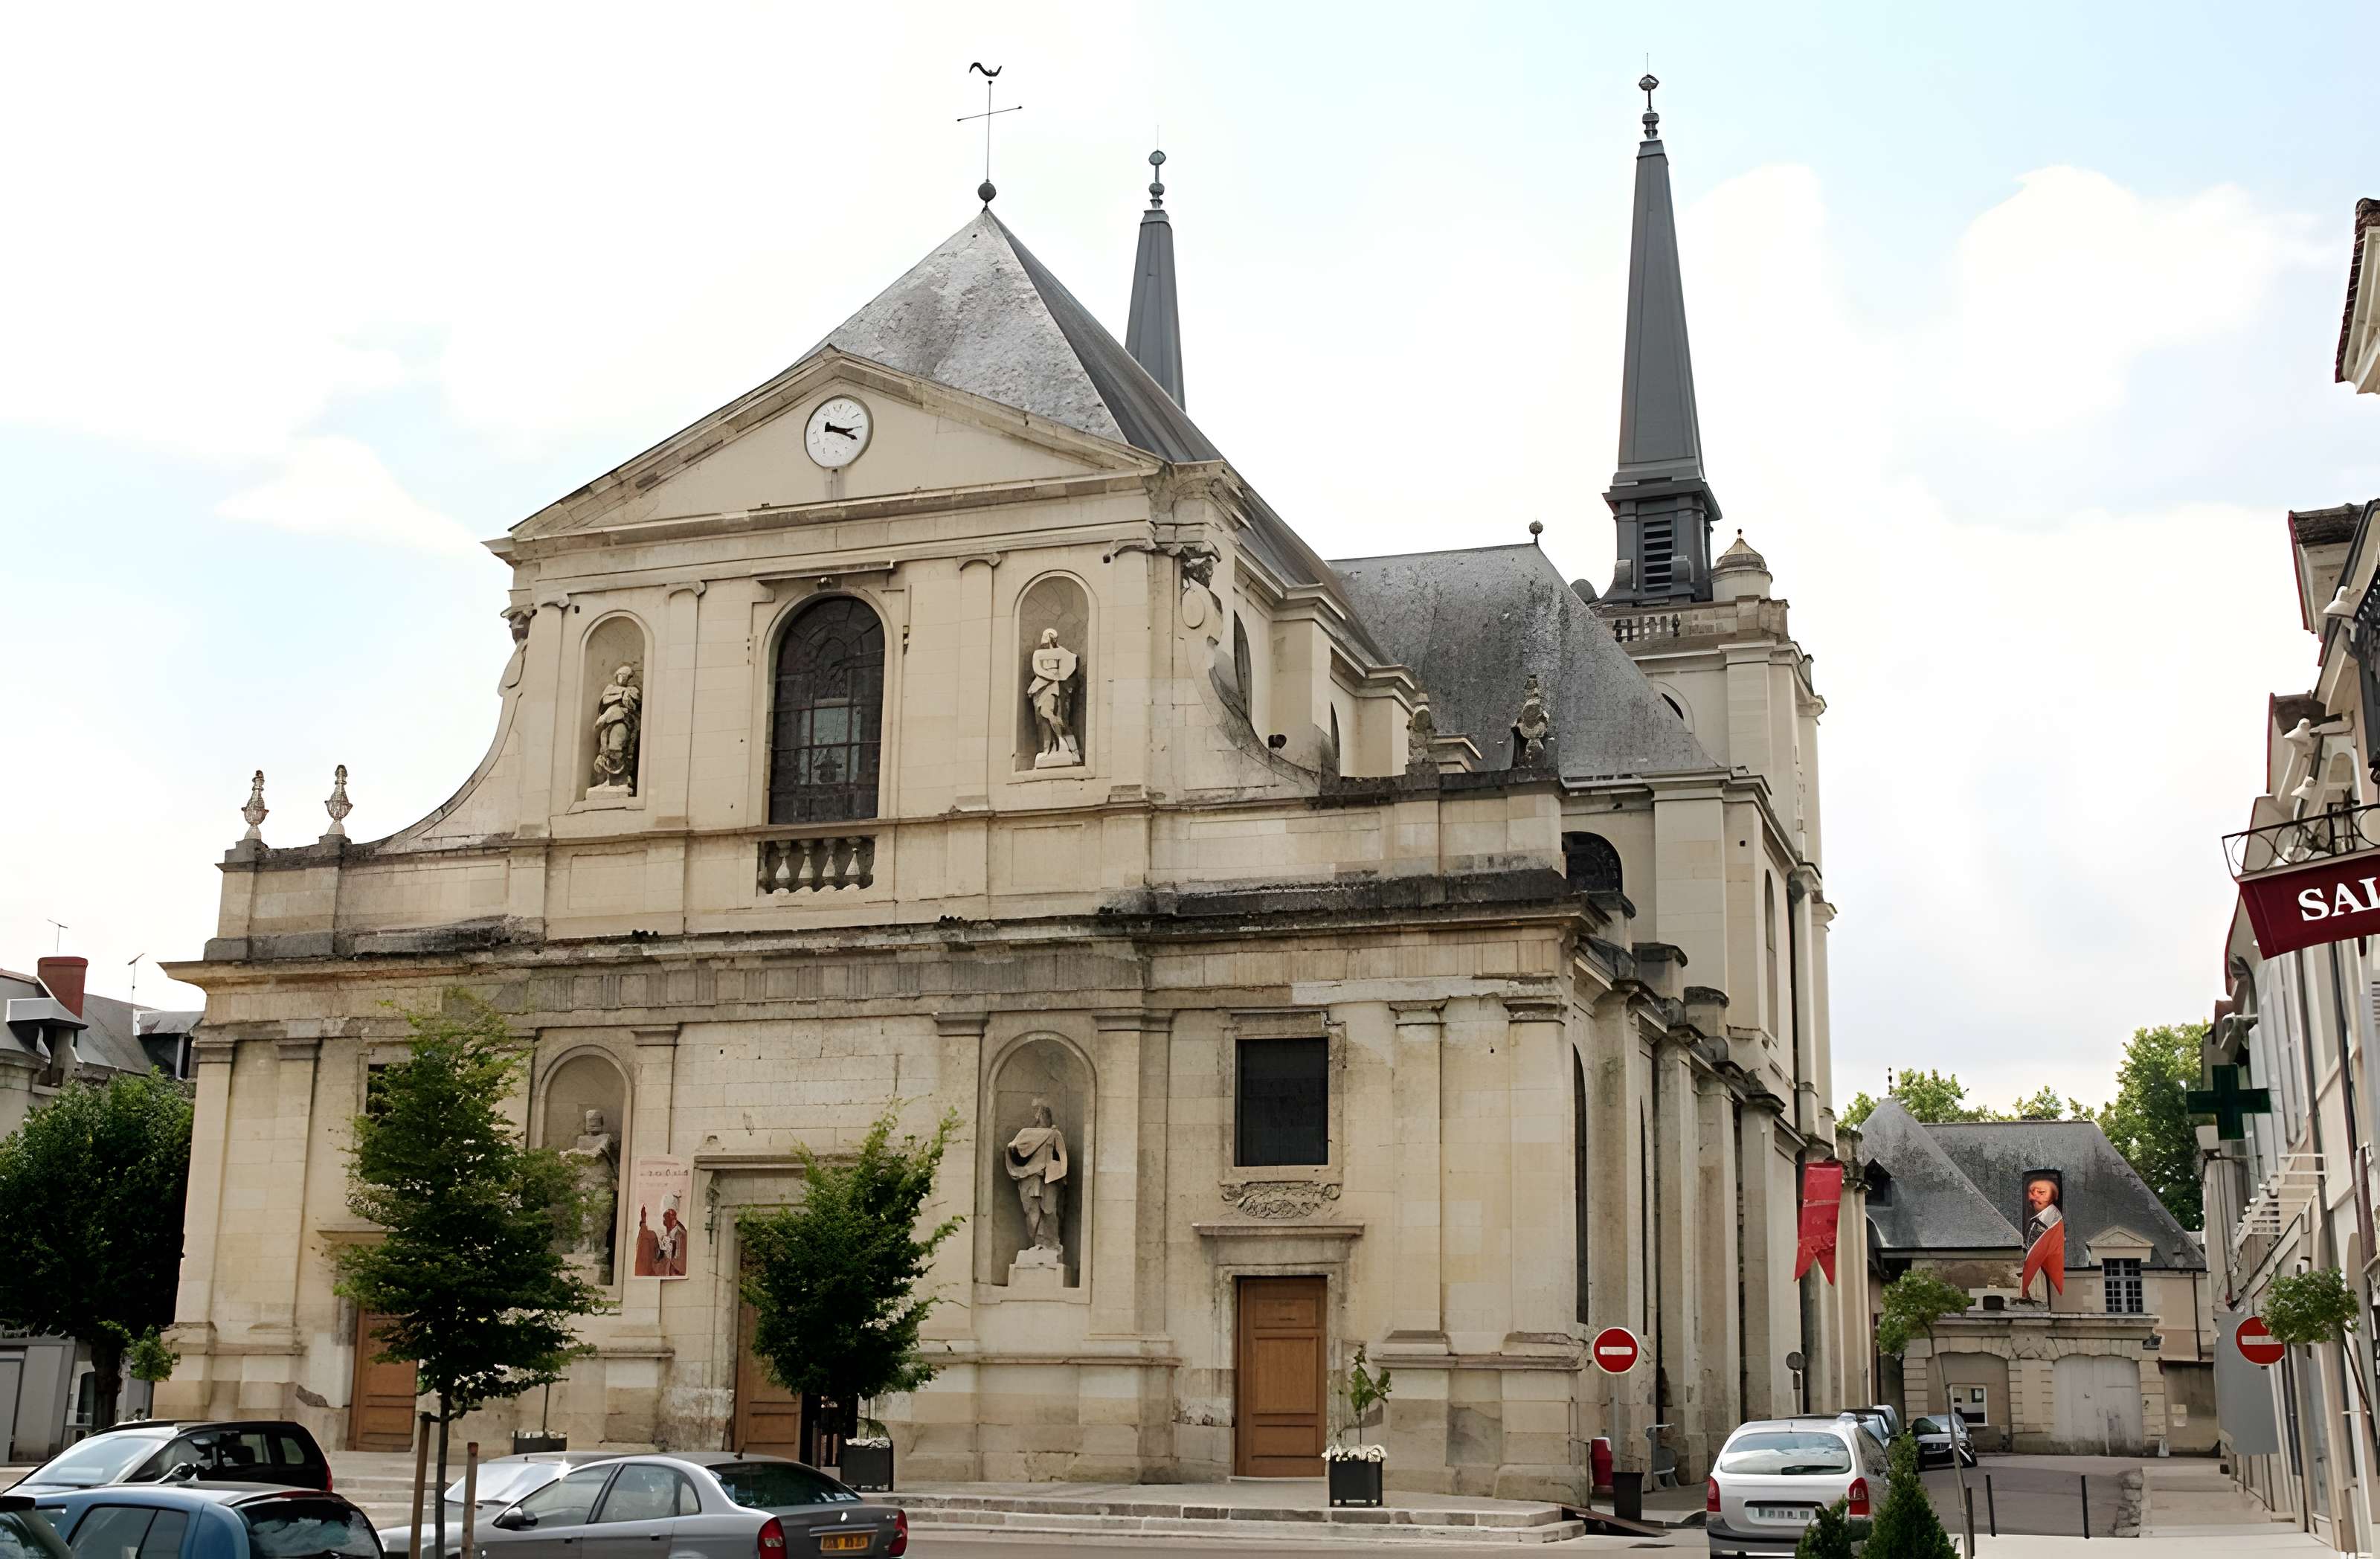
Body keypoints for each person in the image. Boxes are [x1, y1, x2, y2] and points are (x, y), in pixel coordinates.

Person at [1005, 1101, 1070, 1254]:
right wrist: (1027, 1167)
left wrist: (1055, 1172)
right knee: (1032, 1213)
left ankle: (1053, 1244)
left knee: (1049, 1211)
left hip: (1049, 1179)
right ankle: (1038, 1243)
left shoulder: (1055, 1134)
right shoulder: (1025, 1134)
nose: (1043, 1117)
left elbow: (1062, 1157)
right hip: (1030, 1178)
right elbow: (1012, 1149)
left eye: (1045, 1114)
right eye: (1041, 1114)